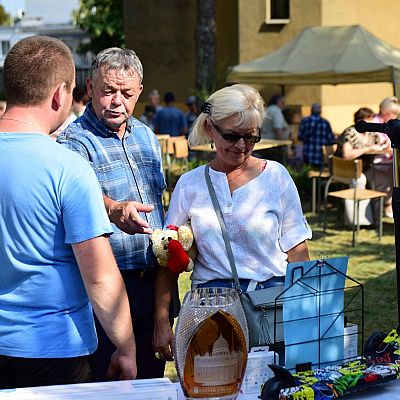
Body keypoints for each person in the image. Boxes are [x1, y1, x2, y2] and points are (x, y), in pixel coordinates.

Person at [0, 36, 136, 389]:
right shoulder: (67, 168)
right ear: (60, 94)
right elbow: (100, 278)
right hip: (53, 350)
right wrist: (126, 347)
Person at [153, 84, 311, 361]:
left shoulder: (276, 177)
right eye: (231, 136)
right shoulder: (190, 185)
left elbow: (298, 252)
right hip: (210, 312)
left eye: (251, 138)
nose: (241, 146)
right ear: (211, 129)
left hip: (269, 308)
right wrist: (162, 320)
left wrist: (307, 314)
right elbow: (169, 256)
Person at [57, 47, 173, 380]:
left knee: (150, 380)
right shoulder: (74, 142)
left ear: (139, 91)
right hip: (107, 288)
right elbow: (80, 199)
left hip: (154, 284)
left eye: (126, 93)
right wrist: (113, 208)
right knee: (111, 384)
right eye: (108, 91)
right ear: (90, 87)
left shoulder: (148, 136)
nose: (116, 101)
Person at [335, 107, 389, 225]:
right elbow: (347, 155)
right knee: (360, 180)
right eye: (368, 120)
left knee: (383, 179)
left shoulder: (370, 134)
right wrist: (367, 149)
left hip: (364, 168)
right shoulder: (350, 132)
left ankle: (377, 217)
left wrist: (383, 144)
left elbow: (377, 144)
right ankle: (357, 221)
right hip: (346, 169)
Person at [371, 96, 398, 218]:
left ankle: (388, 205)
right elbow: (374, 144)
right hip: (376, 163)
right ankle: (385, 208)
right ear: (384, 111)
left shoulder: (389, 123)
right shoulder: (374, 124)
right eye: (392, 113)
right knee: (391, 179)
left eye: (396, 114)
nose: (395, 116)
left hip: (389, 161)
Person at [298, 103, 335, 169]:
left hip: (307, 154)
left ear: (311, 110)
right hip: (321, 156)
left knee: (308, 174)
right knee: (319, 174)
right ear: (320, 111)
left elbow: (300, 137)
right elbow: (331, 140)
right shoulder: (325, 123)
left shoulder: (304, 121)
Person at [258, 94, 292, 164]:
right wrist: (285, 144)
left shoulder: (267, 110)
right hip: (275, 146)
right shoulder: (276, 111)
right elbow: (277, 129)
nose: (283, 105)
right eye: (283, 102)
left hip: (264, 144)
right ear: (278, 102)